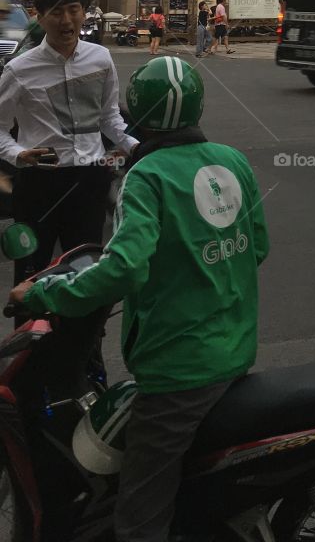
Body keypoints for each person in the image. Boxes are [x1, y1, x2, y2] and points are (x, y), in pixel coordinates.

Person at [9, 56, 269, 542]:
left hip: (178, 370)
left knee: (139, 516)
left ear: (137, 114)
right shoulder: (233, 160)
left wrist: (46, 291)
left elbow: (124, 267)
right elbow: (257, 247)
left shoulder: (145, 177)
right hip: (235, 351)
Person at [0, 0, 139, 285]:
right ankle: (30, 332)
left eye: (74, 10)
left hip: (89, 182)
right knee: (31, 275)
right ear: (40, 17)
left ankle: (84, 335)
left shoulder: (100, 58)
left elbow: (108, 117)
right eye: (57, 12)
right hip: (39, 184)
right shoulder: (19, 70)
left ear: (84, 13)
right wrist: (19, 154)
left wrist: (135, 146)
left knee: (86, 273)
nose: (66, 20)